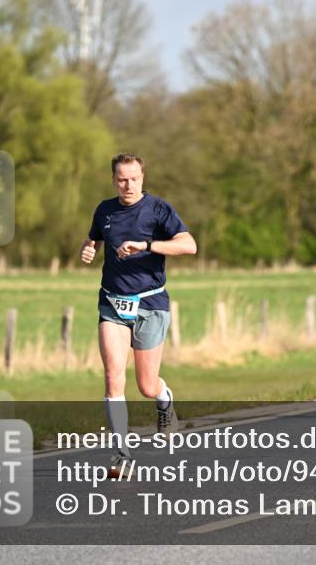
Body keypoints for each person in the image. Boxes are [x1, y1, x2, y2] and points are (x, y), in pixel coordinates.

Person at [80, 153, 198, 473]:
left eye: (134, 178)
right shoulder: (105, 210)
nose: (128, 184)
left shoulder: (158, 209)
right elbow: (94, 237)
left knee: (146, 385)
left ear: (142, 177)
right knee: (112, 378)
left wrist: (146, 246)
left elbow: (189, 246)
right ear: (114, 180)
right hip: (113, 304)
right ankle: (122, 453)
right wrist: (88, 247)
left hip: (150, 305)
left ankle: (164, 401)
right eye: (122, 179)